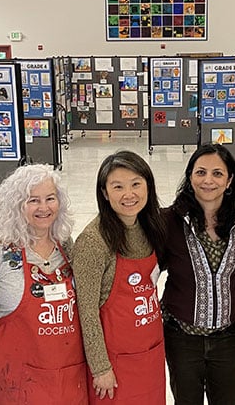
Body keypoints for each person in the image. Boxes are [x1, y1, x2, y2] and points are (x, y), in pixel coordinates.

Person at [0, 164, 87, 404]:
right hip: (15, 373)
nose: (44, 208)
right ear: (16, 205)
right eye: (33, 200)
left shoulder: (65, 243)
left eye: (50, 198)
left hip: (66, 368)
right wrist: (1, 331)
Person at [159, 144, 235, 404]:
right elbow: (149, 269)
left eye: (217, 173)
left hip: (228, 338)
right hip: (181, 337)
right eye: (200, 172)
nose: (208, 180)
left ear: (230, 180)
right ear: (190, 177)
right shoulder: (169, 221)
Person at [72, 150, 167, 403]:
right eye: (118, 187)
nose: (129, 194)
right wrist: (101, 368)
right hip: (114, 364)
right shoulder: (94, 241)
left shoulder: (150, 227)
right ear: (104, 193)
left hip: (150, 355)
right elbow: (87, 311)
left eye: (136, 184)